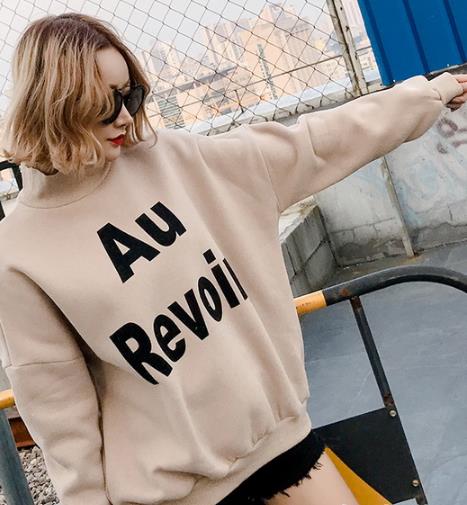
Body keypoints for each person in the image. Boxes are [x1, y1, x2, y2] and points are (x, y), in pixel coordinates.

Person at [0, 12, 466, 505]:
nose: (123, 117)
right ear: (55, 105)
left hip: (279, 445)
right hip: (174, 495)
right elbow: (60, 410)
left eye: (130, 95)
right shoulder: (20, 251)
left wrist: (427, 95)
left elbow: (313, 144)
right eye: (103, 104)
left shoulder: (177, 161)